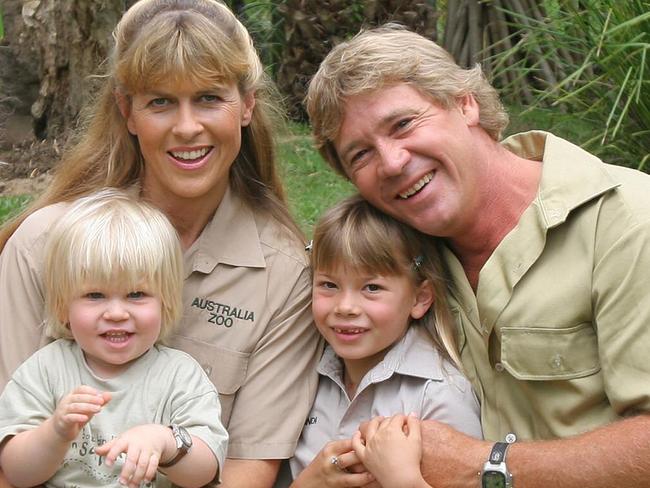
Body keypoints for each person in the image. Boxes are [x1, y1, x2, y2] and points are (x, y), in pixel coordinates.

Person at [305, 23, 650, 488]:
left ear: (464, 103)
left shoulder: (628, 221)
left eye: (403, 124)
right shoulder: (403, 254)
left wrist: (486, 464)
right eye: (361, 155)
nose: (391, 162)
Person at [0, 1, 321, 486]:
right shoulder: (42, 244)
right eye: (161, 101)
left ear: (247, 105)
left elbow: (247, 470)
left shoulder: (283, 273)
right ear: (127, 111)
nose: (187, 127)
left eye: (210, 98)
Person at [0, 189, 228, 488]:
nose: (117, 313)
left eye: (136, 294)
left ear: (167, 303)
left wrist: (165, 441)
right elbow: (17, 472)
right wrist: (55, 432)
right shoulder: (45, 369)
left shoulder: (179, 376)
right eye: (95, 295)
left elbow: (205, 471)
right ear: (62, 307)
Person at [282, 196, 481, 487]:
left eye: (372, 287)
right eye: (329, 285)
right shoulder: (302, 373)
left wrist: (402, 480)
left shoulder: (439, 396)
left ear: (420, 298)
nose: (345, 307)